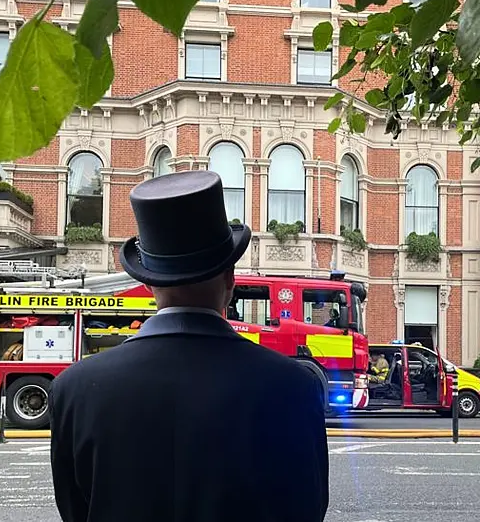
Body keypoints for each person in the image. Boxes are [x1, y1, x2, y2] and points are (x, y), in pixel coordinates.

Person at [49, 171, 329, 522]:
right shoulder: (294, 387)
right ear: (230, 279)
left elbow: (76, 511)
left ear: (149, 283)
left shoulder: (73, 390)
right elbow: (308, 508)